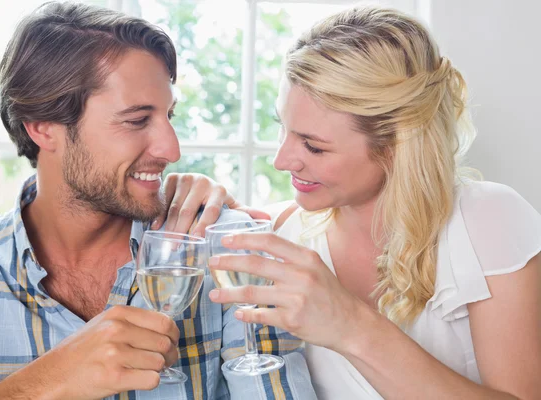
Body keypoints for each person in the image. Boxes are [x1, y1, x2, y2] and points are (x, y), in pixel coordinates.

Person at [0, 2, 318, 399]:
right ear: (43, 128)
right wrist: (51, 380)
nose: (171, 149)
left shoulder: (226, 247)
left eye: (169, 116)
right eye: (137, 120)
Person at [184, 5, 541, 399]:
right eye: (282, 128)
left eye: (314, 147)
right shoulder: (284, 233)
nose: (281, 160)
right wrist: (196, 196)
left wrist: (351, 326)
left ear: (395, 146)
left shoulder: (487, 222)